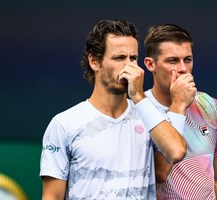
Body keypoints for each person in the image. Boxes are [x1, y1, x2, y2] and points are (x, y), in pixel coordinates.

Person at [39, 19, 187, 200]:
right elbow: (51, 197)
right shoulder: (64, 124)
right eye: (119, 58)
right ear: (94, 62)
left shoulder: (148, 114)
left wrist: (138, 97)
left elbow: (176, 152)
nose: (129, 66)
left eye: (133, 58)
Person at [143, 24, 217, 199]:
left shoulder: (208, 105)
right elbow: (159, 174)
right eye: (172, 60)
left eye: (188, 59)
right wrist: (178, 106)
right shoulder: (139, 112)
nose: (183, 68)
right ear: (150, 64)